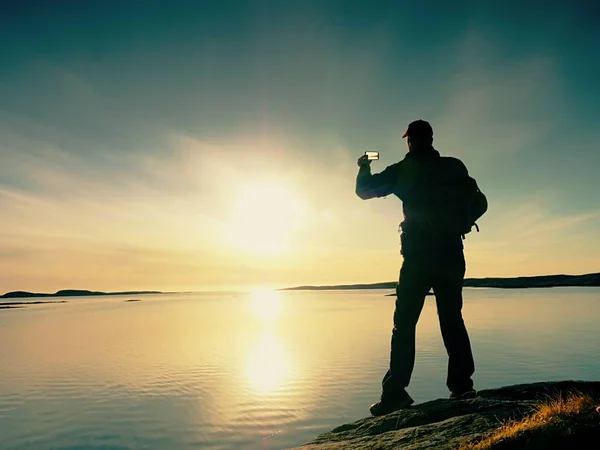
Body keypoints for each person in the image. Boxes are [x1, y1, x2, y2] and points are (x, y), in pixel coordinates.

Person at [356, 119, 486, 416]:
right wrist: (461, 224)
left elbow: (365, 191)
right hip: (452, 252)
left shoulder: (404, 169)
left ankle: (395, 394)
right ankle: (462, 388)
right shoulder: (455, 166)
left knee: (404, 325)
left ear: (410, 141)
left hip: (417, 257)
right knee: (452, 319)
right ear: (431, 138)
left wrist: (364, 166)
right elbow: (480, 202)